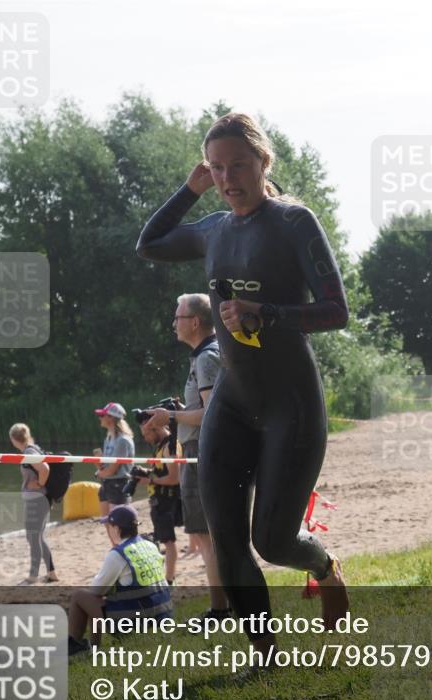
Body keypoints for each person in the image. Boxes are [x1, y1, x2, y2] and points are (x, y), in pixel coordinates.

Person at [136, 112, 349, 662]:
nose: (229, 178)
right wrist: (189, 189)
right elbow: (150, 243)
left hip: (290, 403)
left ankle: (324, 567)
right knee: (226, 537)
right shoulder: (213, 229)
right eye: (216, 168)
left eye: (239, 165)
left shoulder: (294, 221)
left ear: (263, 162)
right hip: (234, 400)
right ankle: (264, 655)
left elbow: (336, 312)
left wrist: (267, 313)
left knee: (273, 542)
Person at [146, 294, 229, 618]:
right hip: (202, 449)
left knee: (204, 535)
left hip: (201, 450)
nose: (173, 324)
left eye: (177, 317)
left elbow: (211, 413)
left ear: (194, 322)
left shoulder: (206, 358)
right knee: (206, 535)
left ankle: (219, 609)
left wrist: (171, 417)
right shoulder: (206, 355)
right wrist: (178, 412)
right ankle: (223, 606)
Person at [67, 505, 173, 655]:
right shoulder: (150, 545)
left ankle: (74, 644)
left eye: (109, 526)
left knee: (80, 596)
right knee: (102, 597)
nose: (108, 531)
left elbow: (95, 591)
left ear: (117, 529)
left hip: (134, 624)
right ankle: (93, 647)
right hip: (162, 618)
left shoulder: (118, 554)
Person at [8, 424, 58, 585]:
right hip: (39, 500)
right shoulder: (33, 449)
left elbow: (44, 468)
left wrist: (39, 483)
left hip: (37, 500)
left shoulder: (29, 452)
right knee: (37, 537)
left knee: (34, 537)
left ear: (14, 440)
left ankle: (33, 576)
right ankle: (51, 573)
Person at [136, 417, 181, 587]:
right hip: (159, 500)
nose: (145, 438)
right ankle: (167, 577)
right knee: (165, 540)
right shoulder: (161, 447)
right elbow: (162, 472)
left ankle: (169, 579)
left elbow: (174, 478)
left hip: (166, 500)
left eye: (146, 434)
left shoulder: (170, 446)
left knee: (168, 542)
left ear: (156, 429)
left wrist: (151, 480)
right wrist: (147, 473)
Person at [93, 403, 135, 518]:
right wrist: (99, 464)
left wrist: (98, 473)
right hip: (107, 484)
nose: (100, 418)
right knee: (106, 522)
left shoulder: (123, 440)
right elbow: (106, 468)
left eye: (102, 415)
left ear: (111, 418)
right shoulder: (109, 437)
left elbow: (113, 470)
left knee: (117, 525)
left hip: (119, 485)